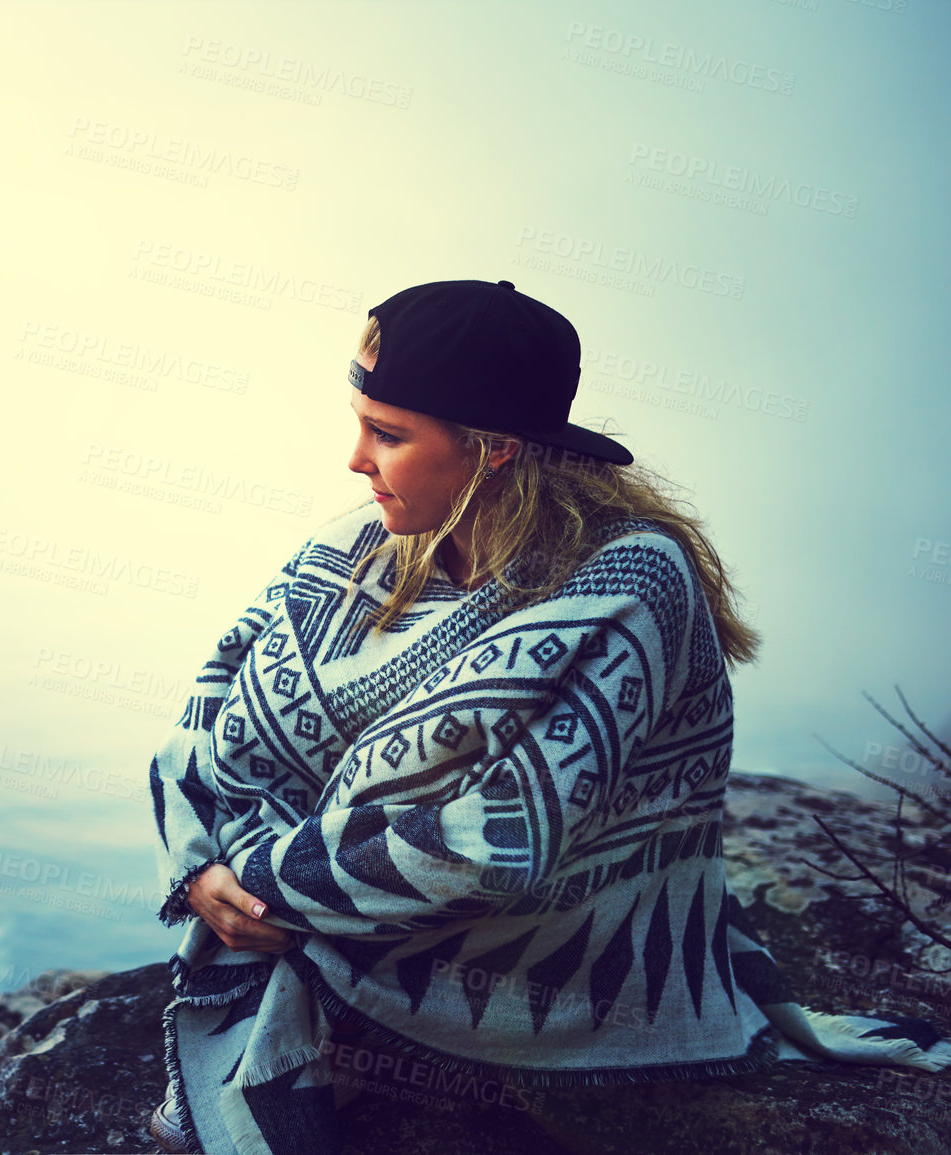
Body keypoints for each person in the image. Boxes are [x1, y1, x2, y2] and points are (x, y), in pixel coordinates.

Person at [145, 279, 950, 1155]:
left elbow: (493, 846)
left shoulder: (626, 580)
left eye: (387, 433)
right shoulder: (358, 547)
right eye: (359, 420)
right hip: (327, 896)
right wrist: (198, 869)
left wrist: (255, 877)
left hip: (537, 950)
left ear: (489, 448)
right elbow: (214, 707)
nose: (354, 458)